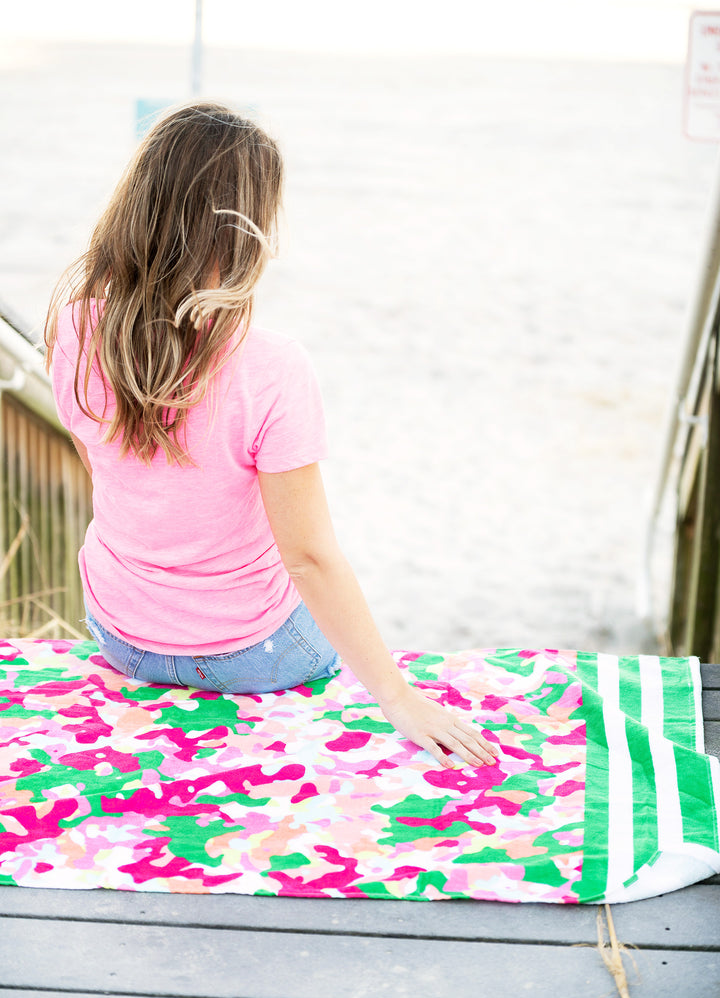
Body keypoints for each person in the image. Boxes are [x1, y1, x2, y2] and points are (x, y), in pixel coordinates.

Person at [45, 101, 496, 771]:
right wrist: (399, 697)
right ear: (246, 232)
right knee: (324, 600)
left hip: (121, 634)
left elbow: (104, 479)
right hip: (250, 656)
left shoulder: (77, 327)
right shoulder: (273, 368)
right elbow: (309, 559)